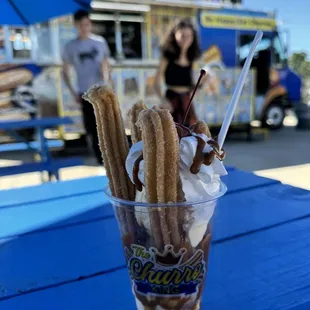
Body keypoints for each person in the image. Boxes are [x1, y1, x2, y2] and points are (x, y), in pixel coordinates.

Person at [62, 9, 112, 165]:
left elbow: (106, 65)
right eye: (82, 25)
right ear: (76, 25)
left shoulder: (99, 42)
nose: (85, 27)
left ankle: (111, 155)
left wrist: (109, 84)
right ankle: (100, 158)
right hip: (84, 92)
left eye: (87, 24)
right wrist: (72, 91)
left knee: (107, 124)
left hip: (101, 91)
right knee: (91, 127)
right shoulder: (71, 46)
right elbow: (65, 71)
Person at [154, 18, 202, 126]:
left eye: (189, 36)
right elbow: (156, 83)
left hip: (187, 102)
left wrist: (203, 82)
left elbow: (195, 84)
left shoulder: (192, 58)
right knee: (171, 135)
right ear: (174, 35)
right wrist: (163, 100)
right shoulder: (167, 56)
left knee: (189, 137)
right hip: (171, 100)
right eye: (182, 35)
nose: (186, 39)